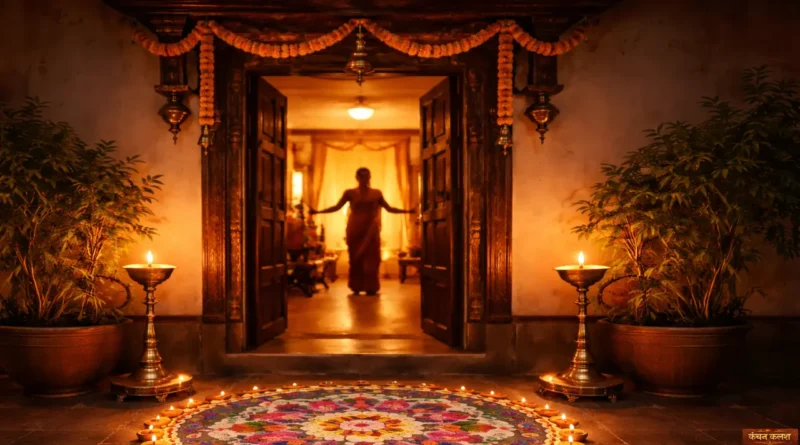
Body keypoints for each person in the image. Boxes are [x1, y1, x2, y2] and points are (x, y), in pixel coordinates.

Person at [310, 167, 415, 295]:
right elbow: (337, 207)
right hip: (355, 227)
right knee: (355, 258)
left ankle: (371, 286)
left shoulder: (376, 193)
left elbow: (389, 208)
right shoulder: (349, 193)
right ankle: (356, 286)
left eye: (367, 176)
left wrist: (407, 211)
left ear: (370, 177)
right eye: (362, 176)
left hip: (371, 228)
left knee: (372, 258)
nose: (365, 179)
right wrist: (318, 211)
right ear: (357, 178)